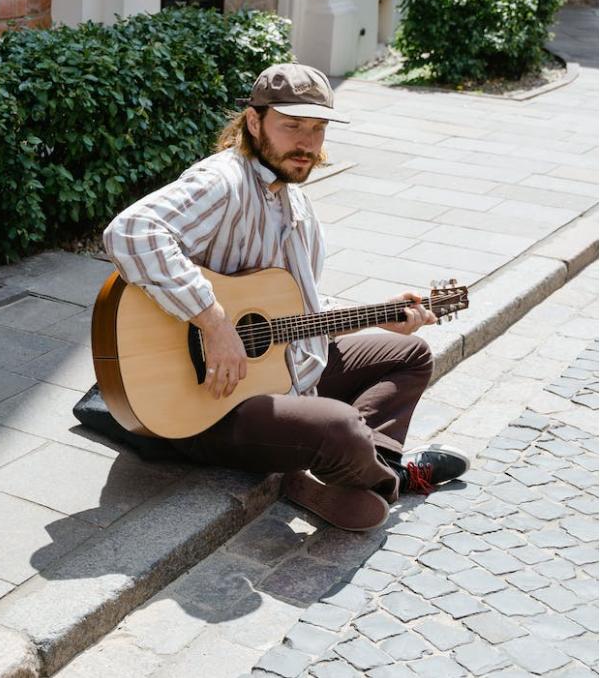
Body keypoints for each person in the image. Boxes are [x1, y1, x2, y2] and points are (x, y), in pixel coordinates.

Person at [102, 62, 469, 532]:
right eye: (291, 125)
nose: (307, 143)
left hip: (279, 376)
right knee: (338, 425)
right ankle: (390, 474)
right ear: (254, 122)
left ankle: (353, 469)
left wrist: (381, 318)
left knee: (411, 352)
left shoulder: (297, 204)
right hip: (210, 403)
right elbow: (131, 232)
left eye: (317, 128)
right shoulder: (225, 181)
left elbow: (297, 316)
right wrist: (213, 322)